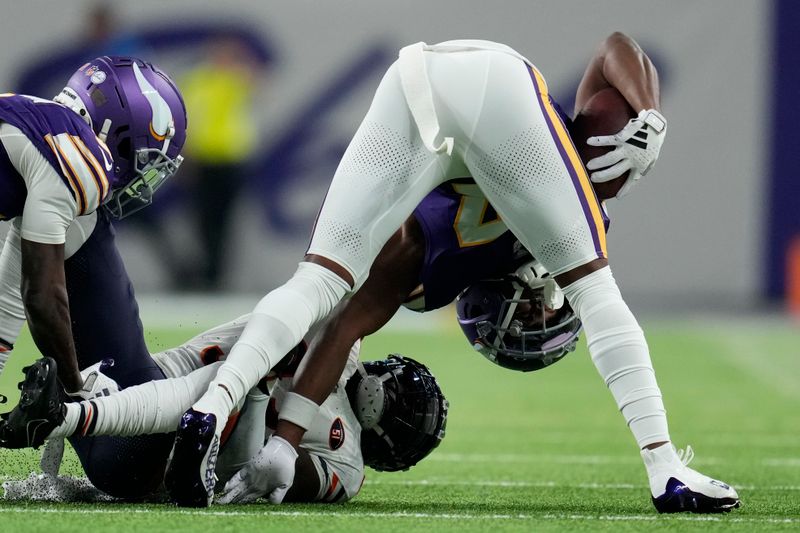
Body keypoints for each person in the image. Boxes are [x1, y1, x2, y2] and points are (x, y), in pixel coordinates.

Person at [167, 32, 739, 514]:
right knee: (596, 288)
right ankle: (665, 468)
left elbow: (341, 329)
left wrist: (284, 447)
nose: (537, 305)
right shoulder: (564, 207)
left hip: (416, 79)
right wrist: (647, 112)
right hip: (492, 85)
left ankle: (210, 408)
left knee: (316, 280)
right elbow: (618, 50)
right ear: (535, 277)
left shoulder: (426, 259)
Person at [0, 56, 187, 497]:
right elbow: (44, 296)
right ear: (119, 132)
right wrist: (77, 393)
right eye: (147, 158)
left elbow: (13, 297)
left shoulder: (32, 121)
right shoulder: (79, 160)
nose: (143, 177)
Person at [0, 325, 448, 505]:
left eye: (410, 409)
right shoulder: (339, 338)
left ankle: (68, 412)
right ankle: (70, 408)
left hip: (182, 464)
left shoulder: (347, 469)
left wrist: (256, 392)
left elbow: (256, 473)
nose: (395, 393)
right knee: (228, 376)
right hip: (157, 378)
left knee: (229, 385)